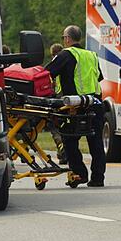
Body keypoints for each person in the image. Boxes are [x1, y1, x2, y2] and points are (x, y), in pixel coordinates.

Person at [45, 25, 107, 187]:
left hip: (75, 106)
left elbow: (48, 72)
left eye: (63, 37)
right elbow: (99, 77)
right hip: (95, 103)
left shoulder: (65, 55)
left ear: (67, 39)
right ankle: (98, 178)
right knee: (96, 142)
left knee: (69, 140)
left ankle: (79, 173)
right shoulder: (92, 55)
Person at [48, 42, 67, 165]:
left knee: (55, 127)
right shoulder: (67, 61)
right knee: (66, 127)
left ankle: (62, 150)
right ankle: (64, 152)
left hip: (56, 99)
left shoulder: (53, 65)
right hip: (68, 99)